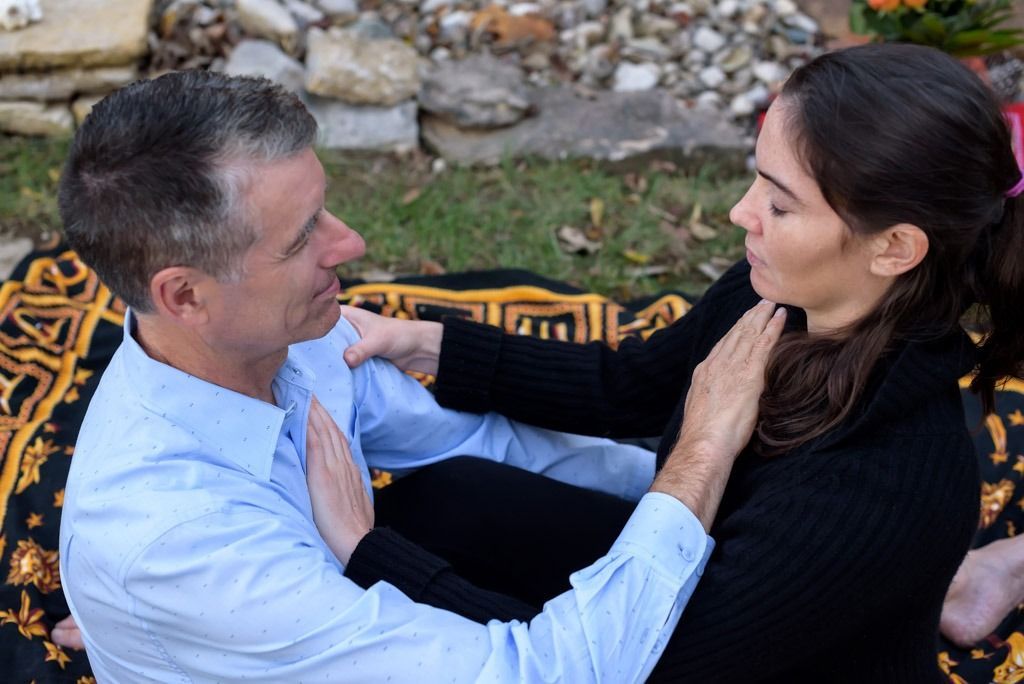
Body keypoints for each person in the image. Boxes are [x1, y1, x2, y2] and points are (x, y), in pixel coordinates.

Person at [54, 70, 786, 682]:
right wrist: (700, 457)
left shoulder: (292, 336)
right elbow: (547, 673)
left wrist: (681, 490)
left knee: (460, 494)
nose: (352, 244)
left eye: (323, 210)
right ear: (185, 297)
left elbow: (480, 444)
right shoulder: (184, 548)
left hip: (281, 604)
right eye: (303, 238)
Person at [337, 43, 1024, 682]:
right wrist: (427, 343)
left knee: (397, 589)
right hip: (696, 576)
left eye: (780, 205)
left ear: (895, 248)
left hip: (704, 658)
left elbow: (646, 667)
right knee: (445, 501)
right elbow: (627, 385)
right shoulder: (776, 297)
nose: (739, 213)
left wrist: (372, 558)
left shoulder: (881, 486)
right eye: (757, 182)